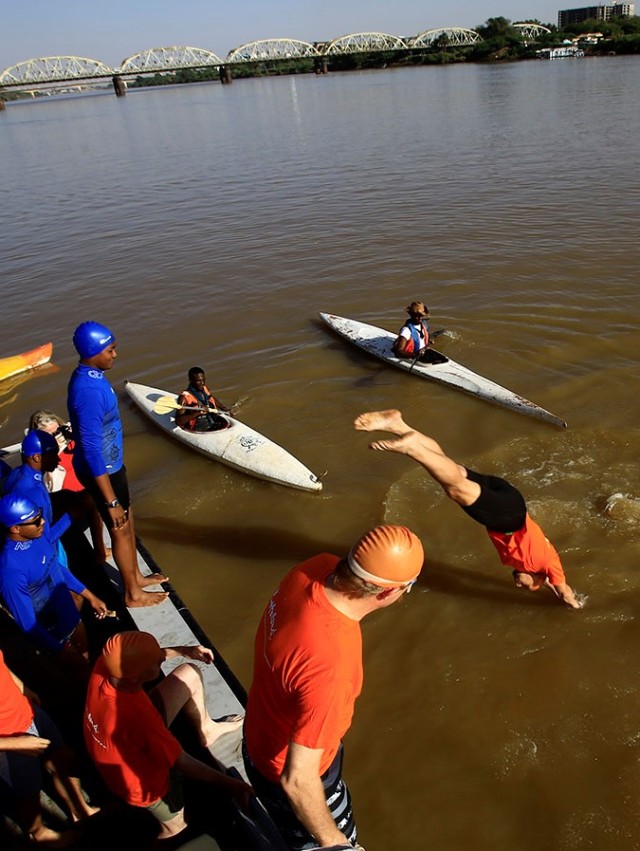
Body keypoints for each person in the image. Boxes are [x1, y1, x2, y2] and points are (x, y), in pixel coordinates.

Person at [242, 524, 424, 850]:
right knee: (326, 838)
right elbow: (298, 780)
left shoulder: (316, 567)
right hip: (286, 772)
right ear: (387, 592)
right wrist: (336, 842)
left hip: (257, 736)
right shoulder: (332, 667)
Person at [354, 409, 583, 609]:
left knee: (452, 469)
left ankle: (397, 424)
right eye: (527, 586)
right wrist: (574, 604)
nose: (519, 585)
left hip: (510, 500)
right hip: (507, 518)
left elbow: (553, 587)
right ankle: (413, 448)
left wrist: (554, 592)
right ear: (538, 580)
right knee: (455, 488)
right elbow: (563, 589)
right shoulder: (550, 565)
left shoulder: (539, 565)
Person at [84, 631, 252, 840]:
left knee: (189, 674)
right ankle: (164, 836)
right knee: (177, 826)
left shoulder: (108, 664)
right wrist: (235, 786)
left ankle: (207, 730)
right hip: (140, 784)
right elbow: (182, 762)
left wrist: (184, 651)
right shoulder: (139, 718)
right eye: (156, 662)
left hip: (111, 740)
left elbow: (152, 657)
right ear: (136, 677)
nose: (161, 660)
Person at [67, 321, 167, 607]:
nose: (115, 354)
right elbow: (90, 450)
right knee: (119, 527)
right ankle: (132, 594)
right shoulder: (88, 390)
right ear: (93, 352)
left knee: (128, 520)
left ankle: (136, 576)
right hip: (101, 472)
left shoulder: (94, 376)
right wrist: (110, 501)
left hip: (113, 467)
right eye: (110, 350)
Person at [0, 648, 98, 844]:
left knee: (63, 760)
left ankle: (80, 810)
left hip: (27, 711)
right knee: (28, 793)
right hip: (9, 739)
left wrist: (22, 687)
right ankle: (38, 833)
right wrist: (15, 743)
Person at [0, 494, 108, 671]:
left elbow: (55, 567)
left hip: (70, 616)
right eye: (36, 521)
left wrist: (90, 596)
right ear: (15, 528)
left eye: (40, 515)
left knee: (89, 660)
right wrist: (61, 651)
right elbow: (28, 624)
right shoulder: (10, 571)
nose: (43, 522)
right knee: (80, 675)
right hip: (53, 634)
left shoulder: (38, 536)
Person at [27, 410, 110, 564]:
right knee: (91, 500)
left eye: (57, 431)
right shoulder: (42, 458)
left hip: (84, 494)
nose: (55, 437)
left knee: (97, 493)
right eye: (49, 435)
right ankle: (101, 551)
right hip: (66, 503)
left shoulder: (72, 442)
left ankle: (100, 547)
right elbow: (50, 486)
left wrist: (74, 435)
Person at [175, 367, 230, 432]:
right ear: (191, 380)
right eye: (199, 381)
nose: (202, 383)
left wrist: (224, 408)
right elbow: (179, 421)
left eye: (203, 380)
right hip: (197, 428)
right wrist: (199, 412)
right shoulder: (183, 398)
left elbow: (210, 398)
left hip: (211, 421)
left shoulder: (204, 388)